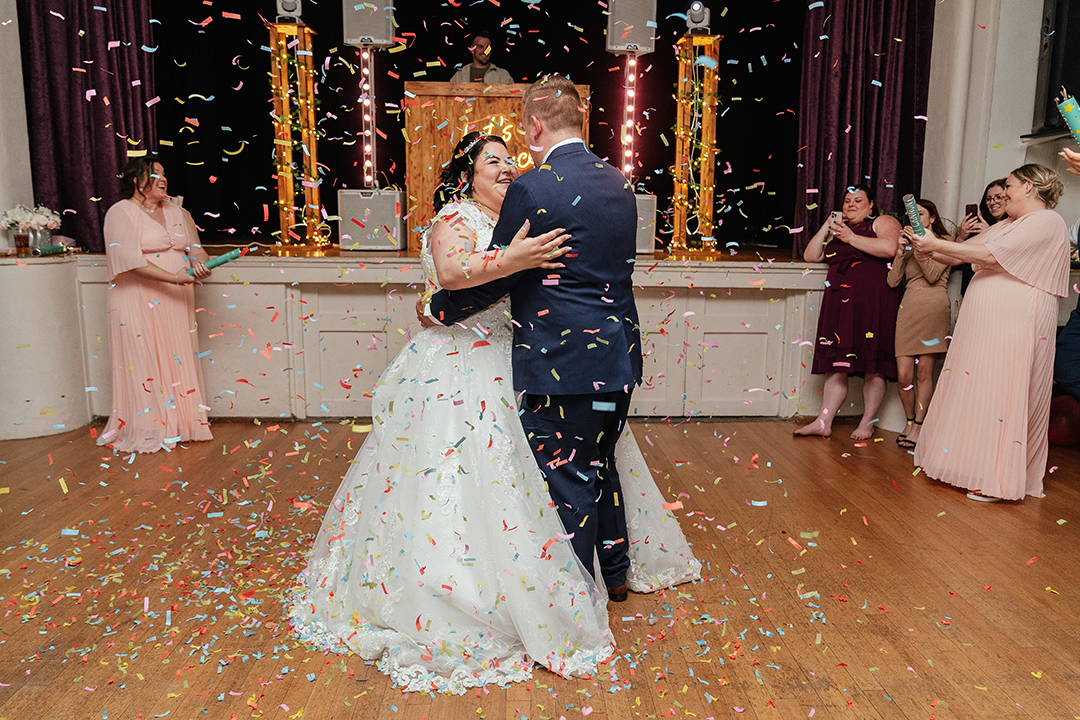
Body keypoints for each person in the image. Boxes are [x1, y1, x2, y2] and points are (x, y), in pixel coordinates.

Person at [288, 131, 700, 694]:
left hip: (522, 358)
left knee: (556, 473)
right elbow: (453, 273)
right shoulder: (455, 218)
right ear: (468, 175)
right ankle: (478, 587)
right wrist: (511, 260)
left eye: (510, 160)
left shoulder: (518, 216)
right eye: (493, 162)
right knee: (467, 480)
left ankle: (582, 571)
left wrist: (514, 264)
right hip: (462, 366)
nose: (507, 169)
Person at [428, 75, 649, 602]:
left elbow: (501, 273)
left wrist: (440, 307)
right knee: (602, 463)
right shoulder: (619, 183)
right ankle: (616, 574)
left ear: (533, 126)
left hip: (560, 362)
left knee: (567, 480)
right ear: (580, 119)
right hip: (617, 356)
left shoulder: (534, 187)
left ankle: (575, 602)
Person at [912, 164, 1069, 501]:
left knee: (1004, 391)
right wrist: (926, 246)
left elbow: (988, 255)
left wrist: (935, 243)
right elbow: (959, 254)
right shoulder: (1008, 224)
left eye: (1009, 186)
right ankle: (973, 467)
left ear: (1028, 187)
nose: (1004, 194)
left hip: (1017, 320)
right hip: (988, 325)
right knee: (981, 390)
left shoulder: (1046, 221)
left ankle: (999, 478)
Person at [98, 157, 213, 454]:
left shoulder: (179, 212)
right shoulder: (119, 212)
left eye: (164, 173)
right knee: (143, 355)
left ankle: (182, 424)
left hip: (176, 298)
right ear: (136, 181)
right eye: (154, 174)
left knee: (177, 354)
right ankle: (148, 426)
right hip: (136, 296)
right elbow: (129, 261)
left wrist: (202, 265)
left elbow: (196, 249)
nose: (163, 179)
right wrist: (173, 277)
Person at [796, 185, 902, 440]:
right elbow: (811, 256)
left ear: (871, 205)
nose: (851, 205)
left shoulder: (882, 222)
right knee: (837, 364)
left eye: (858, 200)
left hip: (872, 302)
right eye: (846, 201)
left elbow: (889, 248)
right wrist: (828, 225)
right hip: (839, 303)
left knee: (873, 365)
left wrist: (851, 238)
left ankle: (867, 422)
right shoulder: (839, 231)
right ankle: (823, 421)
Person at [887, 199, 952, 449]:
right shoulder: (908, 245)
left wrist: (921, 249)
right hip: (909, 308)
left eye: (921, 214)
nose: (915, 219)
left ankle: (919, 425)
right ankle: (909, 420)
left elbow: (933, 275)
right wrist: (900, 251)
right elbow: (893, 281)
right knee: (904, 375)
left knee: (924, 372)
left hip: (934, 307)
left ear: (932, 218)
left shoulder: (944, 243)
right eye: (912, 215)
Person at [954, 179, 1007, 294]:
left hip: (996, 289)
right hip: (970, 287)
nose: (992, 202)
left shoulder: (1014, 226)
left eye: (998, 197)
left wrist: (989, 233)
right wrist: (962, 236)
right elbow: (955, 256)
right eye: (988, 199)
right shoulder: (978, 224)